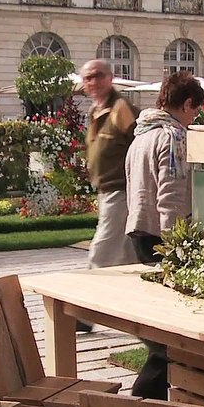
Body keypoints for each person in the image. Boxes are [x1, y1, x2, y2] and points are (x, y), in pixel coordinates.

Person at [125, 71, 204, 400]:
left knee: (159, 328)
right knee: (169, 337)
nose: (196, 116)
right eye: (196, 109)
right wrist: (177, 245)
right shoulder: (173, 137)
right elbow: (170, 197)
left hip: (139, 230)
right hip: (162, 236)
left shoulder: (141, 135)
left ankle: (151, 402)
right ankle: (144, 400)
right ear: (186, 104)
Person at [81, 59, 139, 269]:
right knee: (126, 251)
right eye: (88, 78)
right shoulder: (95, 111)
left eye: (99, 76)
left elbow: (140, 141)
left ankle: (89, 285)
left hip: (121, 190)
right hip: (107, 191)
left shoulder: (120, 107)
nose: (93, 82)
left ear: (110, 78)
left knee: (101, 251)